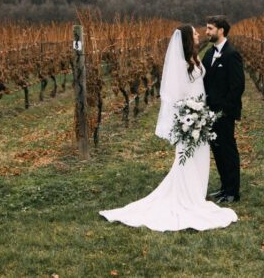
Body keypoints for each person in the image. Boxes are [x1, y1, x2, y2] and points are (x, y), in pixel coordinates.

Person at [99, 24, 238, 232]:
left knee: (200, 158)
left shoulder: (197, 58)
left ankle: (196, 194)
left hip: (200, 116)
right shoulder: (181, 64)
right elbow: (176, 96)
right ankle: (188, 197)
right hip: (191, 120)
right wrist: (189, 116)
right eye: (195, 33)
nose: (199, 34)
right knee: (187, 159)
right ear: (188, 40)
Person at [202, 15, 245, 204]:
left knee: (228, 151)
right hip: (210, 113)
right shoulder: (209, 54)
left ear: (221, 30)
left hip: (224, 114)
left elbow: (237, 86)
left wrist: (224, 110)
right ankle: (223, 187)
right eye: (207, 28)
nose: (207, 31)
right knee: (217, 151)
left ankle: (233, 192)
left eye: (210, 28)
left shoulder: (231, 54)